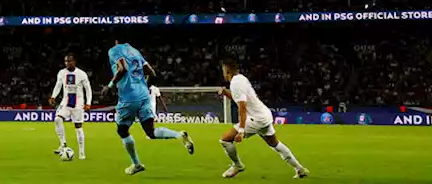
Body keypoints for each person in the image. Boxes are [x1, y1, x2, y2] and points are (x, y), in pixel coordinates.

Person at [100, 39, 194, 176]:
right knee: (151, 132)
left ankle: (136, 164)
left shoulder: (114, 50)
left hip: (128, 97)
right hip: (144, 96)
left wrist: (109, 86)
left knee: (122, 130)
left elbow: (122, 68)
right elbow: (152, 73)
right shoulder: (135, 51)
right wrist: (143, 87)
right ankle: (178, 135)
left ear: (115, 40)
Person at [217, 58, 309, 179]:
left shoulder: (235, 83)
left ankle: (237, 165)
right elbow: (241, 100)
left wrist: (241, 131)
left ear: (227, 70)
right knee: (275, 144)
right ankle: (300, 169)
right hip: (264, 115)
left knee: (225, 139)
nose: (223, 73)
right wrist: (226, 93)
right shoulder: (241, 78)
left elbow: (242, 108)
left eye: (223, 70)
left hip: (256, 119)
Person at [50, 53, 92, 160]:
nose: (67, 63)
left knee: (78, 127)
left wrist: (88, 103)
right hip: (66, 102)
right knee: (57, 120)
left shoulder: (81, 74)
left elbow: (88, 89)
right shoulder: (62, 73)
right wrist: (53, 96)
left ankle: (82, 153)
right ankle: (63, 145)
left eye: (69, 61)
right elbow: (58, 85)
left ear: (74, 61)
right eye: (65, 61)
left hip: (78, 104)